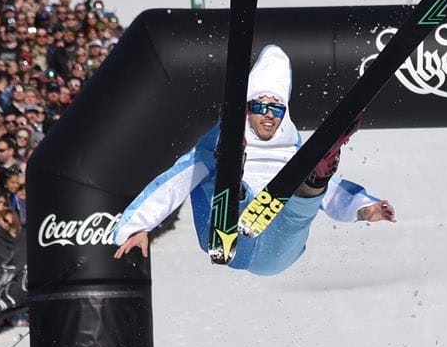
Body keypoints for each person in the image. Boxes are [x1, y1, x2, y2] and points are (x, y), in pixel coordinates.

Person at [111, 46, 396, 276]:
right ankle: (233, 183)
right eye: (260, 106)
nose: (269, 115)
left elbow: (335, 193)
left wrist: (363, 208)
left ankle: (316, 172)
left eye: (276, 108)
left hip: (277, 251)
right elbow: (174, 183)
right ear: (246, 107)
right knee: (226, 172)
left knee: (302, 206)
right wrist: (138, 226)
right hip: (227, 237)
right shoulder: (212, 148)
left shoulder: (293, 150)